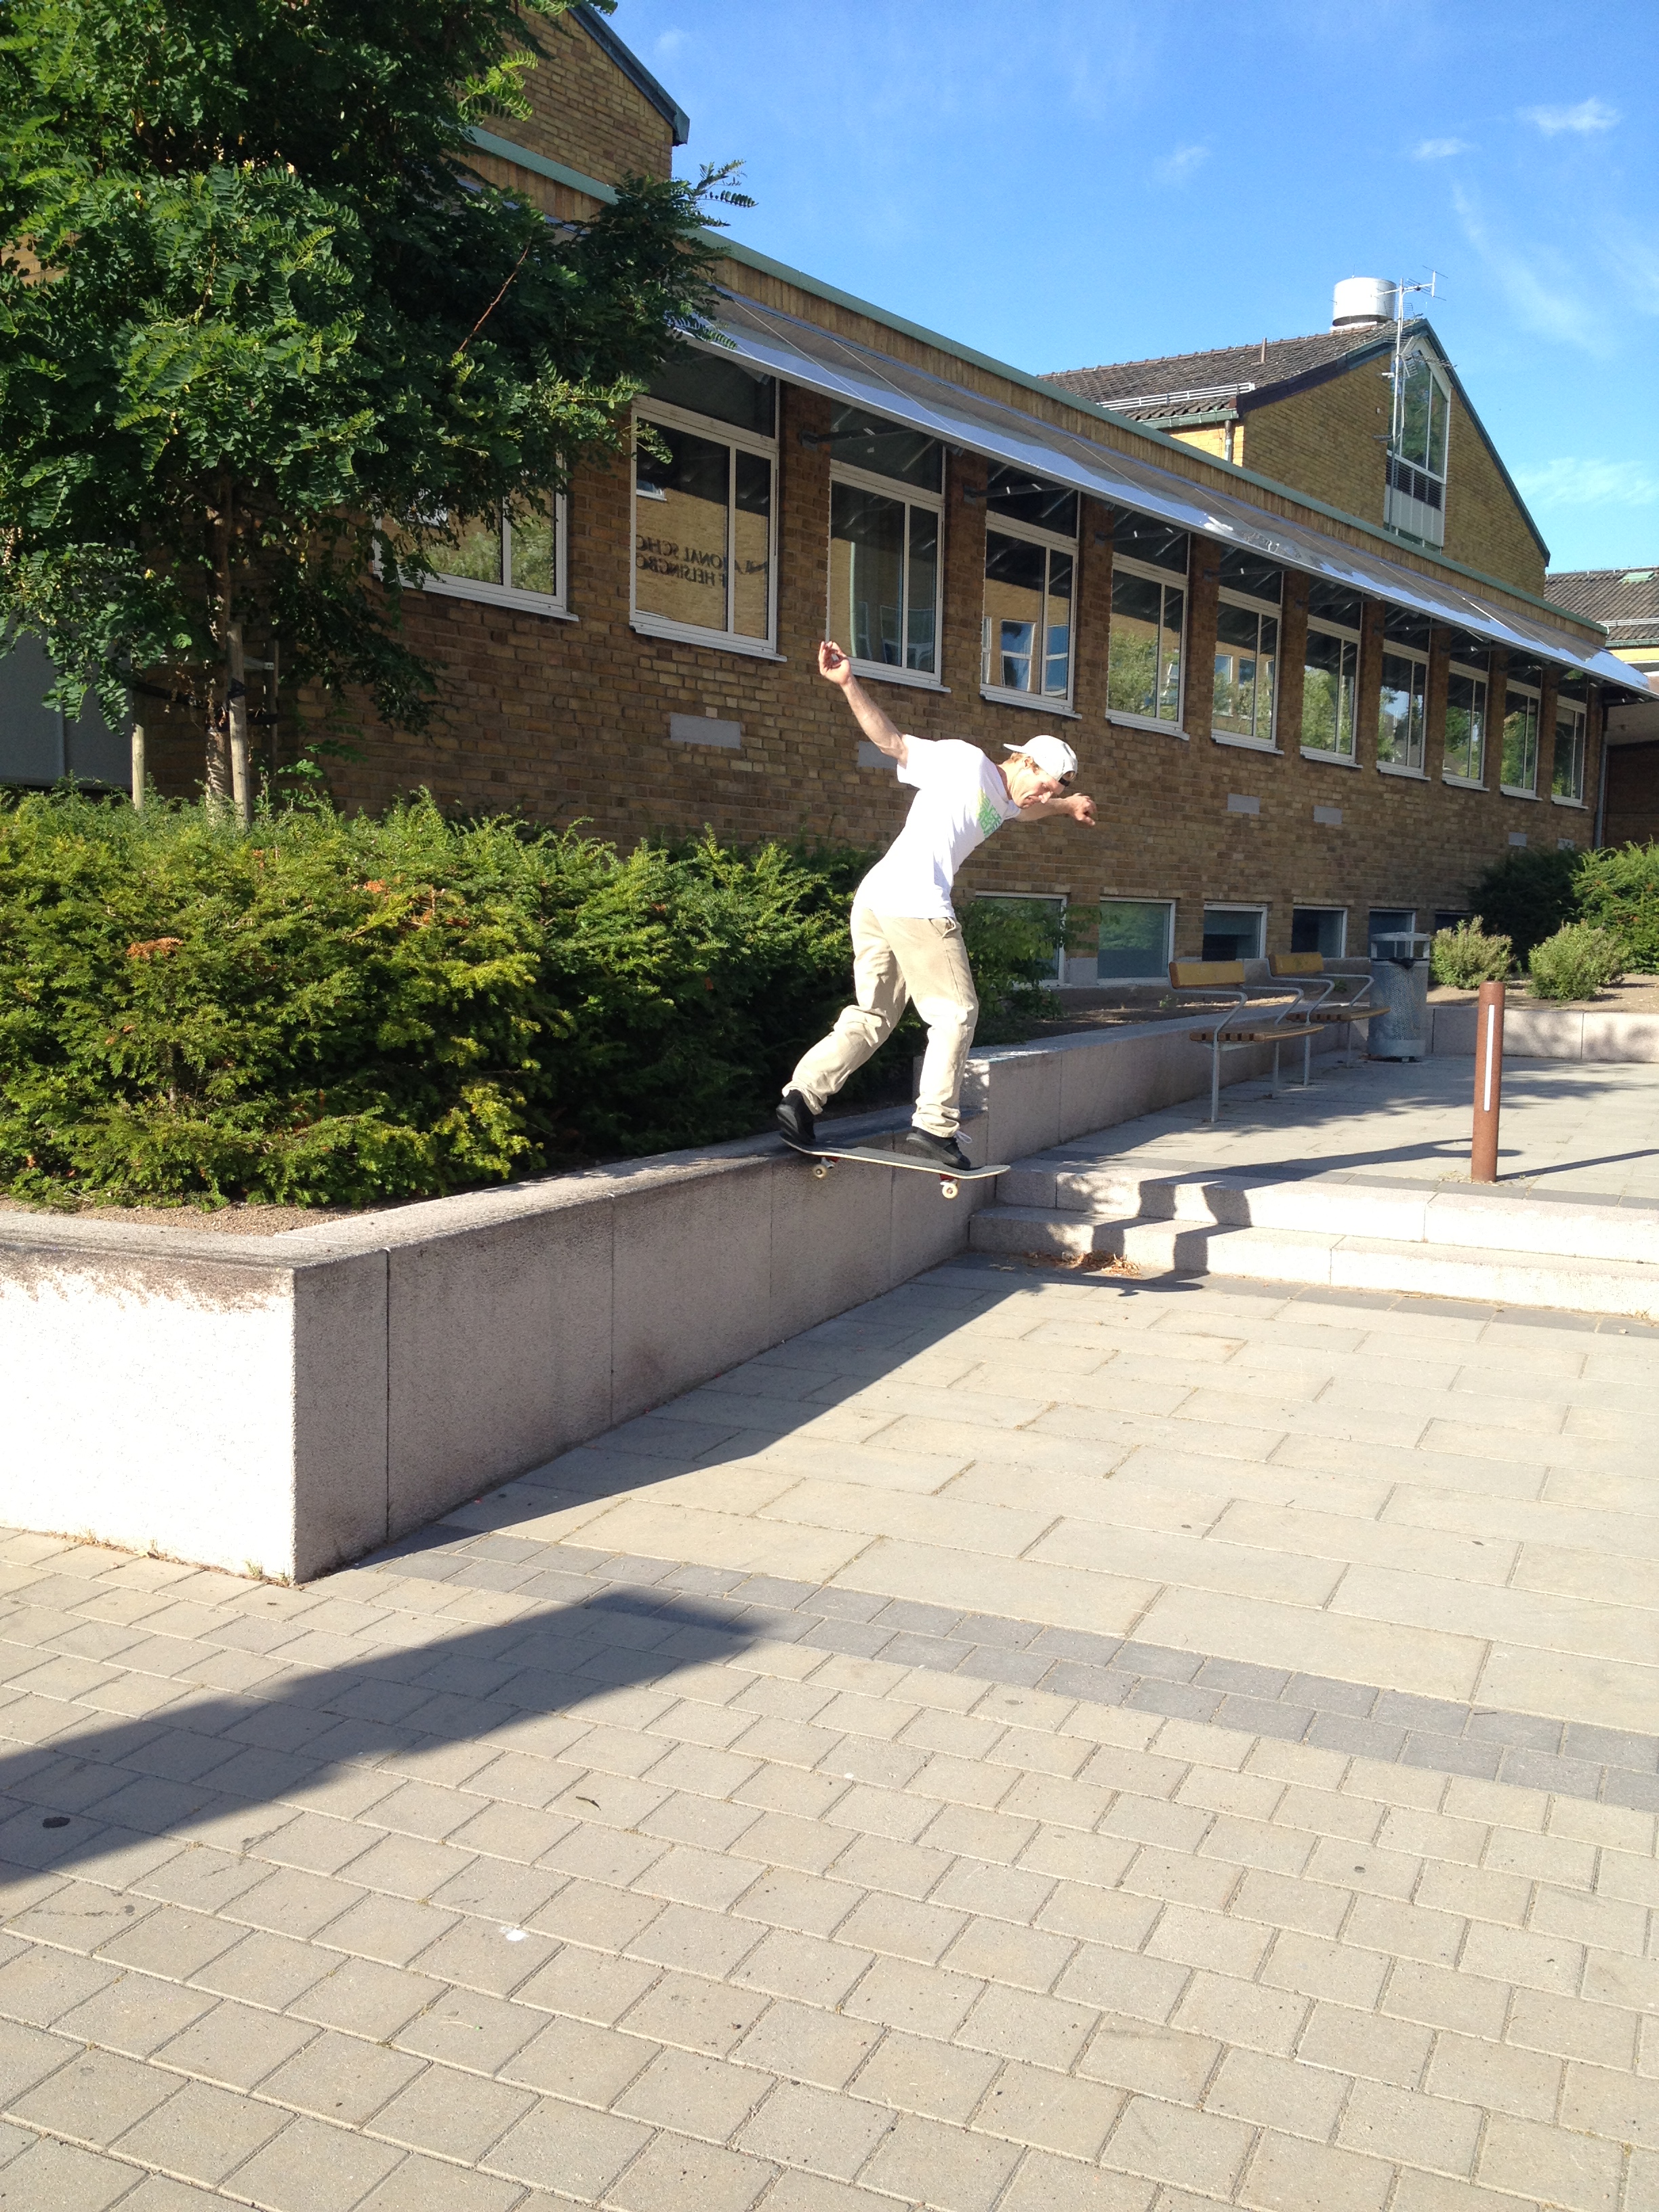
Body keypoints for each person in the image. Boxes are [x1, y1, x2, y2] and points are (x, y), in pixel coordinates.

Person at [778, 639, 1097, 1172]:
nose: (1041, 795)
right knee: (957, 1012)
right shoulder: (965, 762)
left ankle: (799, 1099)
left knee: (873, 1015)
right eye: (1042, 783)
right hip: (916, 902)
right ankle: (934, 1126)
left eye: (1052, 790)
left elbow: (1023, 814)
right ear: (1022, 759)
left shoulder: (1004, 801)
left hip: (877, 899)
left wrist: (1064, 805)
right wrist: (848, 684)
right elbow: (896, 744)